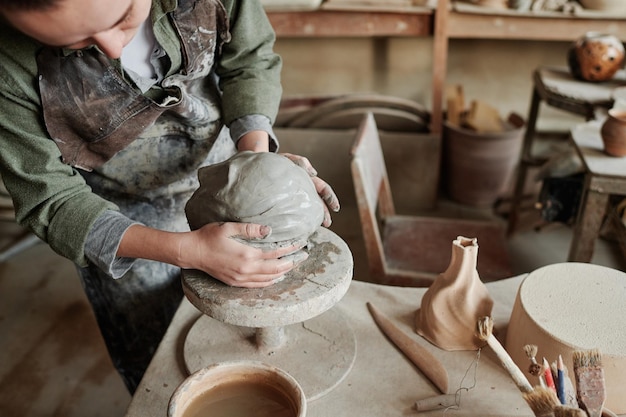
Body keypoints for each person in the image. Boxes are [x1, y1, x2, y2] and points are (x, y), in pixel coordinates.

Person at [0, 0, 339, 393]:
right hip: (121, 213)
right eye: (76, 43)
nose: (111, 48)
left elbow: (249, 58)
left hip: (224, 163)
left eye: (123, 17)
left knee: (244, 340)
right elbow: (53, 200)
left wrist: (259, 168)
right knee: (162, 366)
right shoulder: (8, 65)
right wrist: (184, 251)